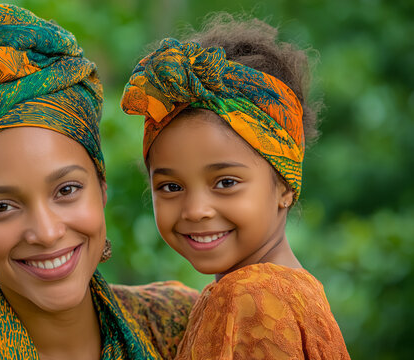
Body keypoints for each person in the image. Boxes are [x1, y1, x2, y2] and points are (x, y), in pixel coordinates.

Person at [0, 4, 198, 360]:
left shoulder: (182, 324)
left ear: (101, 187)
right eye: (1, 207)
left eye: (67, 190)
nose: (45, 232)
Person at [121, 14, 350, 359]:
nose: (196, 210)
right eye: (170, 187)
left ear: (285, 185)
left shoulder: (252, 299)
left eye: (226, 182)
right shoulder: (284, 292)